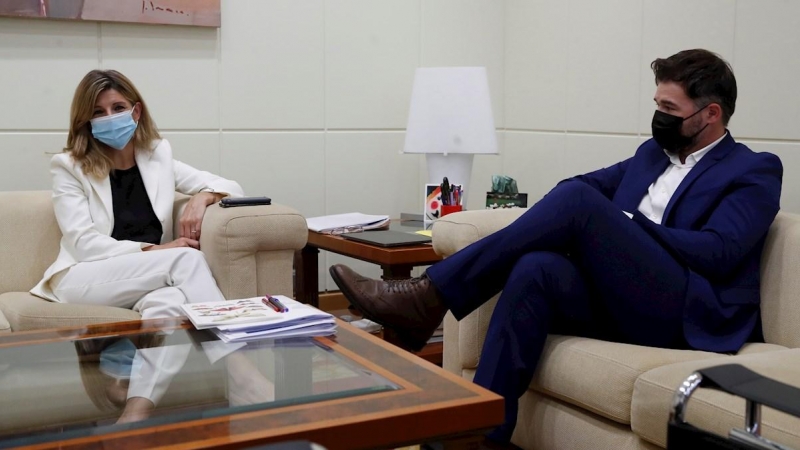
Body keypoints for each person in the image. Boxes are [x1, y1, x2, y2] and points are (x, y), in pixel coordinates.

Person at [328, 49, 783, 443]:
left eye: (670, 106)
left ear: (711, 114)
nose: (659, 115)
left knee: (581, 205)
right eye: (656, 103)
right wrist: (594, 228)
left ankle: (429, 298)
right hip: (622, 299)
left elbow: (719, 251)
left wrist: (629, 225)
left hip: (683, 310)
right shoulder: (651, 154)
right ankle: (480, 433)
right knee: (537, 267)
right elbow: (577, 188)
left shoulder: (753, 170)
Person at [31, 69, 245, 421]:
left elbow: (231, 185)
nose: (109, 117)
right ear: (85, 121)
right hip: (85, 277)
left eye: (117, 107)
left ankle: (135, 413)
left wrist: (204, 196)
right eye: (98, 112)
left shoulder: (157, 155)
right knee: (186, 260)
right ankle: (240, 371)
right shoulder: (69, 166)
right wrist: (157, 251)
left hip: (146, 279)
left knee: (173, 305)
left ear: (136, 111)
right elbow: (83, 243)